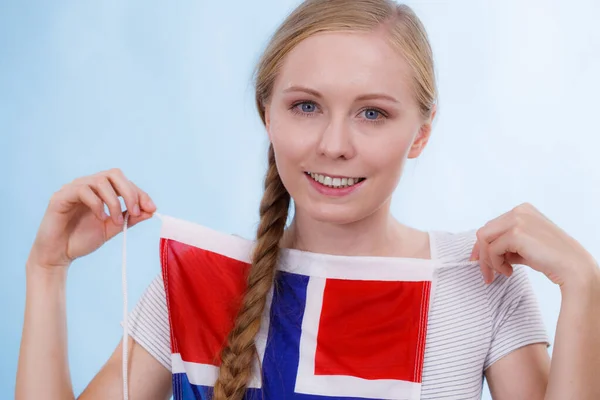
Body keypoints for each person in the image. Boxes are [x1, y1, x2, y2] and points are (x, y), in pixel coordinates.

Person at [16, 0, 600, 399]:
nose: (334, 145)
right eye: (305, 106)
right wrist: (47, 272)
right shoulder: (198, 284)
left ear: (421, 133)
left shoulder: (481, 283)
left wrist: (585, 288)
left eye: (372, 113)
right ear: (265, 114)